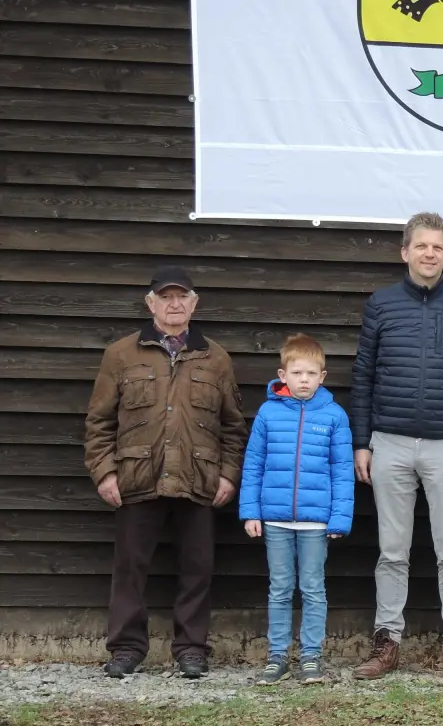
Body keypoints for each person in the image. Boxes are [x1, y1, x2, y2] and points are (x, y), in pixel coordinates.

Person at [349, 212, 443, 680]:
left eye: (437, 247)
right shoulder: (382, 304)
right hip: (389, 442)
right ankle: (387, 643)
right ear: (405, 251)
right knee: (392, 550)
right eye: (421, 246)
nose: (429, 253)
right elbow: (364, 376)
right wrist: (362, 442)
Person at [83, 266, 248, 679]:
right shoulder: (120, 354)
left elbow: (233, 426)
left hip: (199, 479)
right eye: (166, 297)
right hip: (138, 478)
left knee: (197, 569)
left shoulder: (217, 358)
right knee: (129, 569)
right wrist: (105, 473)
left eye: (182, 297)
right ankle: (126, 648)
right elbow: (99, 422)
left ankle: (191, 649)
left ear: (194, 303)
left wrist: (228, 475)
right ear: (150, 303)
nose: (174, 305)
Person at [238, 334, 355, 686]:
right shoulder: (268, 413)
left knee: (313, 587)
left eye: (311, 373)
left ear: (323, 376)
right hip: (274, 520)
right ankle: (277, 657)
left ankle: (311, 657)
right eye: (297, 372)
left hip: (316, 524)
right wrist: (251, 512)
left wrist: (339, 518)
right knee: (280, 587)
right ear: (282, 374)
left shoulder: (334, 416)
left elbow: (342, 469)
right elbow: (253, 464)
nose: (304, 379)